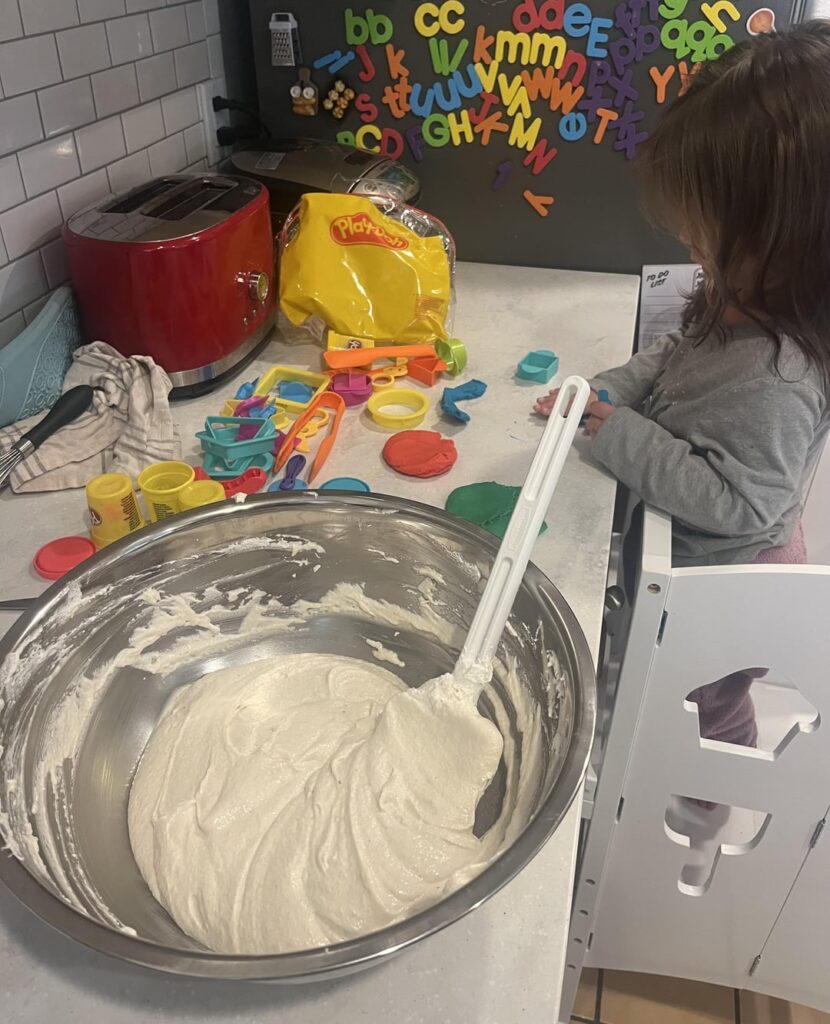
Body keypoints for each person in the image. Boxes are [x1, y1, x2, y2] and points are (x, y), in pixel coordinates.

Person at [534, 22, 830, 748]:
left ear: (792, 240)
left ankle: (706, 801)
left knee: (707, 704)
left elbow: (736, 501)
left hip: (720, 595)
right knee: (651, 673)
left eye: (707, 234)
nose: (692, 247)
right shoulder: (743, 295)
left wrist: (620, 435)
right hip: (681, 558)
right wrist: (608, 390)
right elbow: (674, 352)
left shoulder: (778, 378)